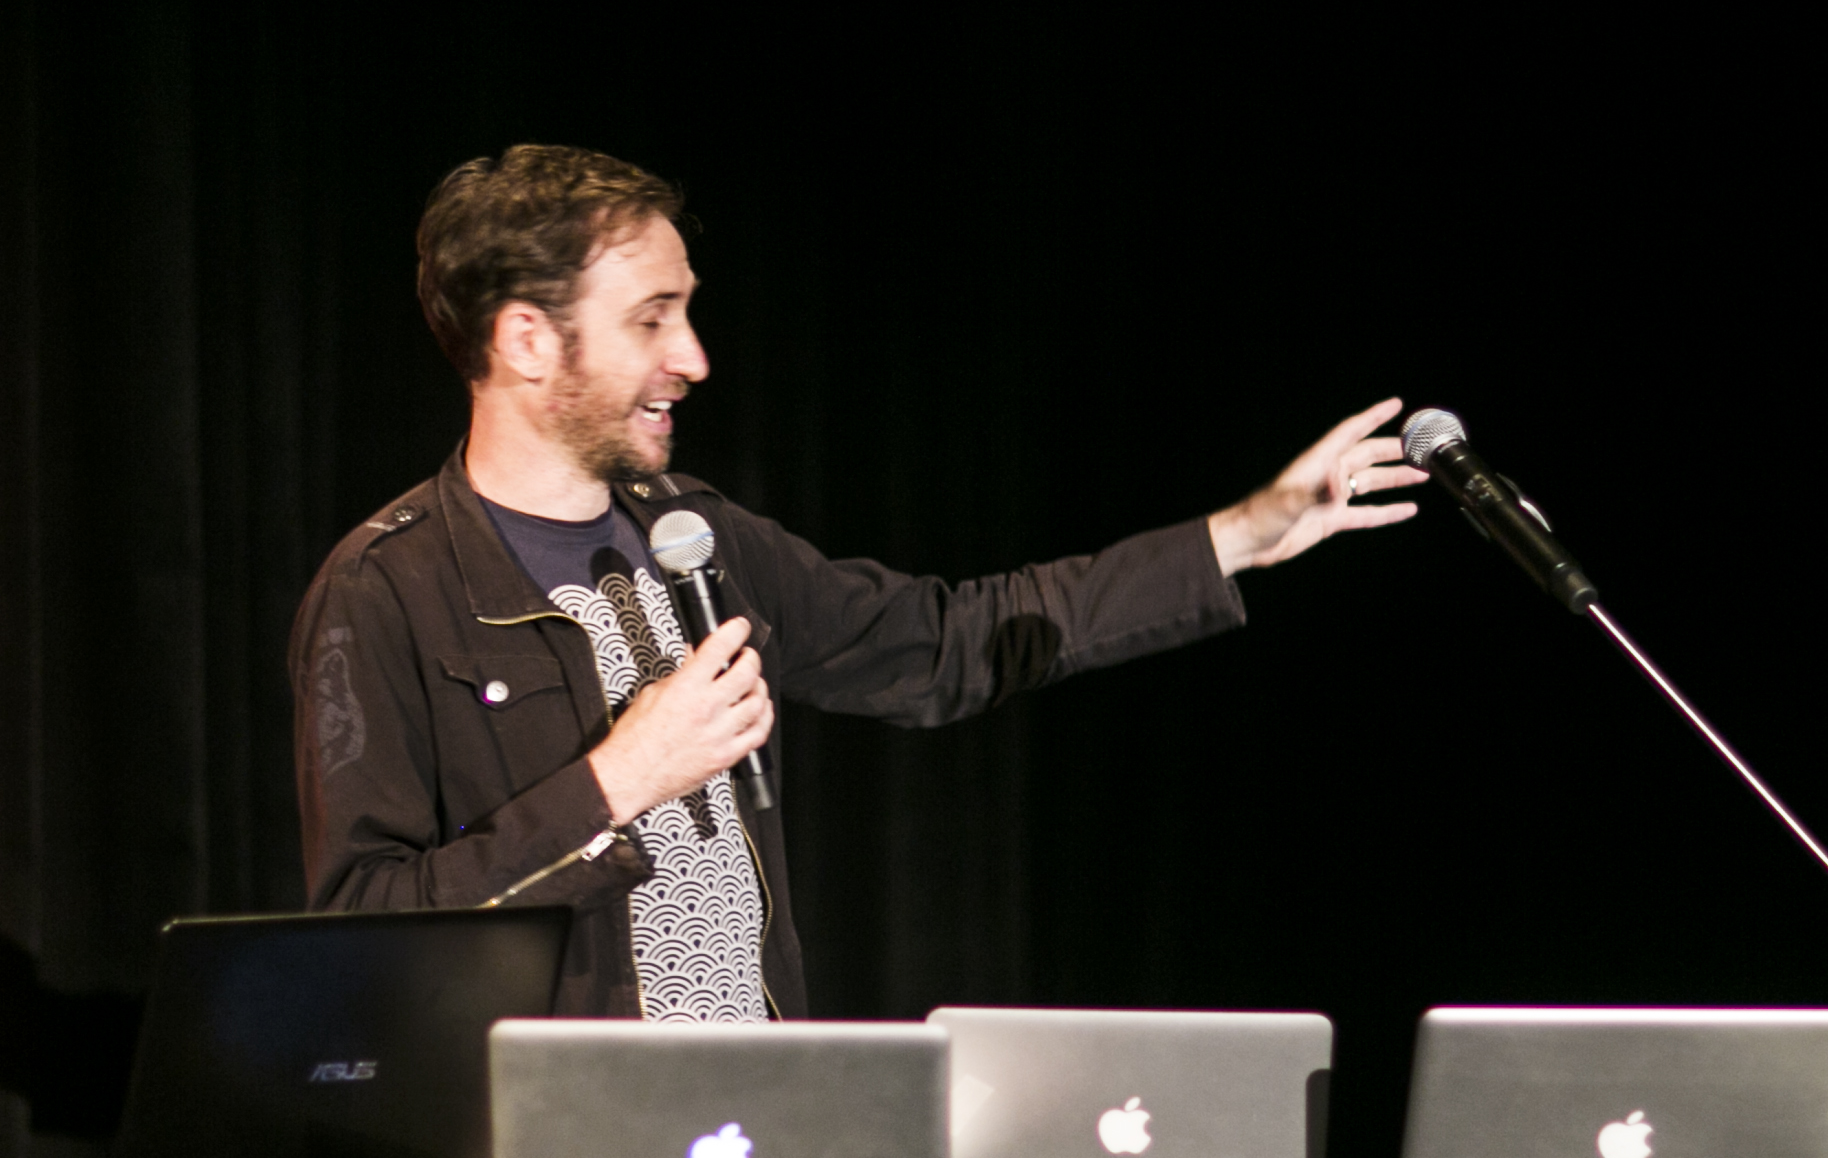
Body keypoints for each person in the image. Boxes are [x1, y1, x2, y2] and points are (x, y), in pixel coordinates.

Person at [289, 145, 1421, 1018]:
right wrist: (617, 780)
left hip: (753, 1120)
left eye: (686, 310)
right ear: (529, 341)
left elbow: (945, 642)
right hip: (546, 1156)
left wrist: (1242, 535)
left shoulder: (698, 537)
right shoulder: (388, 589)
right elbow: (363, 929)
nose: (693, 358)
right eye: (651, 319)